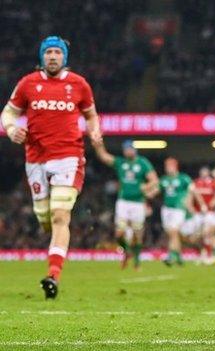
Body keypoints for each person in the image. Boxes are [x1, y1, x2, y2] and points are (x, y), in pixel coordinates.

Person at [1, 36, 102, 299]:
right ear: (42, 57)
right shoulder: (28, 83)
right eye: (48, 53)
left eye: (57, 52)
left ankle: (53, 276)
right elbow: (8, 113)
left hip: (68, 156)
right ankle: (55, 246)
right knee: (45, 219)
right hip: (35, 158)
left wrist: (95, 131)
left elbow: (91, 114)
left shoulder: (78, 84)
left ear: (64, 56)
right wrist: (10, 129)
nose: (53, 56)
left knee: (60, 216)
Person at [93, 140, 158, 270]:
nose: (128, 151)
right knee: (119, 233)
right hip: (123, 202)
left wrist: (146, 187)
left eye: (130, 149)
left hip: (138, 203)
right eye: (125, 149)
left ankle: (137, 262)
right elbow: (104, 157)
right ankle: (127, 251)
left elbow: (154, 180)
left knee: (137, 234)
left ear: (134, 150)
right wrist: (98, 145)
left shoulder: (142, 163)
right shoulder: (121, 163)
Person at [153, 157, 202, 266]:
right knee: (172, 234)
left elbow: (193, 190)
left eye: (170, 166)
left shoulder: (183, 178)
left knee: (173, 231)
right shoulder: (164, 179)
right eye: (166, 166)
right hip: (166, 209)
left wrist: (199, 204)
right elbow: (156, 191)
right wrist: (146, 191)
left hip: (178, 208)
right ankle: (179, 256)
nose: (167, 168)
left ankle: (171, 256)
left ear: (175, 167)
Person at [193, 166, 215, 264]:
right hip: (198, 213)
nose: (203, 174)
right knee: (198, 235)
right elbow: (193, 195)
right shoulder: (196, 182)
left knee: (207, 233)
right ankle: (203, 253)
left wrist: (211, 205)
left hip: (210, 212)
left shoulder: (214, 183)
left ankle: (209, 255)